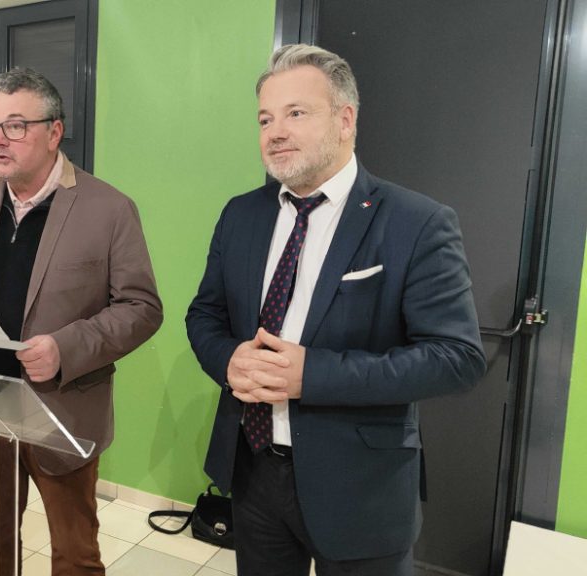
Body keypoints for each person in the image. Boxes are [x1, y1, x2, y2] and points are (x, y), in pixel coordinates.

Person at [185, 45, 487, 576]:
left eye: (296, 113)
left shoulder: (416, 222)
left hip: (361, 487)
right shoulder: (241, 215)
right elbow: (203, 316)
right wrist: (228, 360)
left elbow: (456, 357)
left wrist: (313, 374)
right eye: (265, 118)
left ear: (345, 120)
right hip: (253, 471)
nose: (275, 132)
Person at [0, 67, 163, 576]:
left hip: (62, 413)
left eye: (15, 126)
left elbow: (141, 307)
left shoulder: (109, 208)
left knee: (75, 555)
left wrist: (66, 347)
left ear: (54, 132)